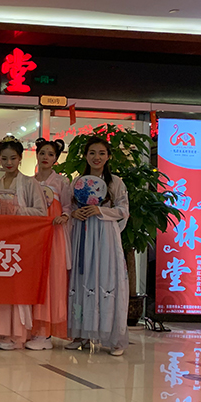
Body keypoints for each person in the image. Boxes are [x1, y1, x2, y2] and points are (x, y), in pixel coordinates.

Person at [65, 136, 130, 356]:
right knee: (82, 278)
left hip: (105, 236)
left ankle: (112, 338)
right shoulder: (77, 182)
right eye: (92, 153)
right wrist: (74, 214)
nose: (97, 157)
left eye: (102, 153)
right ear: (85, 156)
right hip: (82, 234)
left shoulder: (116, 182)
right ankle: (81, 334)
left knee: (105, 279)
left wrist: (100, 211)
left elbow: (123, 211)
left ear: (108, 156)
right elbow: (68, 207)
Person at [0, 136, 47, 350]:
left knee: (16, 287)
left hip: (20, 243)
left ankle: (14, 333)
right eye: (4, 158)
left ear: (20, 158)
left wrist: (15, 210)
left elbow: (41, 212)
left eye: (13, 158)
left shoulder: (29, 183)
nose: (8, 162)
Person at [26, 137, 72, 350]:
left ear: (56, 159)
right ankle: (33, 328)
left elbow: (68, 207)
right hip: (34, 236)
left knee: (52, 279)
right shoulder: (29, 181)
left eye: (50, 154)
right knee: (34, 278)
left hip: (54, 235)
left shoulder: (61, 182)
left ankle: (45, 332)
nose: (45, 157)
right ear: (36, 154)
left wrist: (64, 216)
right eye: (42, 153)